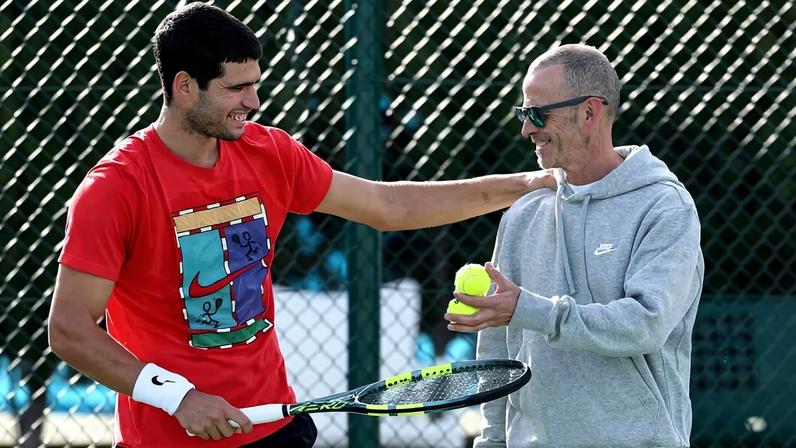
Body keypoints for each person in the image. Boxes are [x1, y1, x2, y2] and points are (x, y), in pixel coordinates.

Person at [46, 3, 554, 447]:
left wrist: (527, 183)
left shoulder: (270, 153)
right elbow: (69, 330)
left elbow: (387, 206)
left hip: (276, 429)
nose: (253, 101)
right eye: (236, 88)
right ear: (184, 87)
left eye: (255, 84)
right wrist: (178, 397)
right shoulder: (116, 187)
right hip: (165, 438)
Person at [445, 44, 704, 448]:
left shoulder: (664, 206)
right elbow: (498, 349)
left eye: (538, 114)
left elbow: (646, 324)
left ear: (589, 112)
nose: (526, 130)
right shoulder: (523, 213)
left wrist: (533, 310)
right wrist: (493, 440)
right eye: (523, 114)